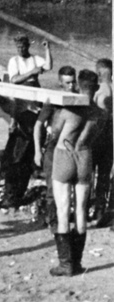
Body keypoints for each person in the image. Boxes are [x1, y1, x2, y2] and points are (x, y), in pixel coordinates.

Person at [48, 70, 102, 275]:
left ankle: (66, 264)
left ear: (78, 86)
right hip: (85, 156)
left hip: (65, 154)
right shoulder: (99, 113)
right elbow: (94, 136)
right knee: (80, 210)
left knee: (63, 209)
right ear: (96, 88)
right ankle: (77, 262)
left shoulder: (68, 110)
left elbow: (54, 134)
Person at [34, 66, 78, 229]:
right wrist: (38, 151)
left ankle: (63, 217)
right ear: (60, 83)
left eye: (73, 82)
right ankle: (52, 220)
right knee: (53, 187)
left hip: (71, 149)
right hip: (52, 148)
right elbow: (38, 125)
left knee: (69, 186)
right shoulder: (53, 101)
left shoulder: (78, 100)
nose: (71, 86)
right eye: (67, 83)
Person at [92, 58, 113, 226]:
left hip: (98, 137)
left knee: (89, 174)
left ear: (99, 73)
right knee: (105, 176)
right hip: (111, 139)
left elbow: (98, 119)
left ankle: (87, 209)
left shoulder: (99, 92)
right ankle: (100, 210)